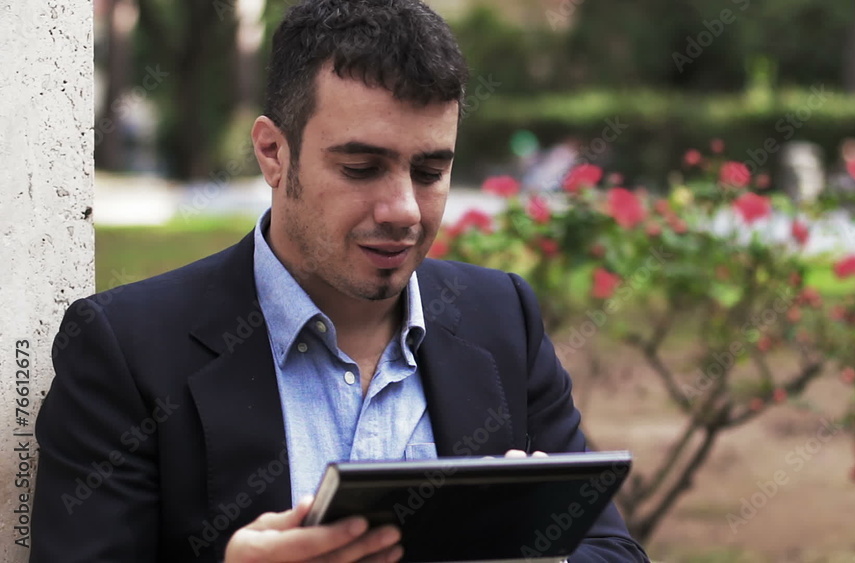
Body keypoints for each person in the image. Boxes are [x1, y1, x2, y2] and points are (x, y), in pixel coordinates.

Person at [30, 1, 649, 561]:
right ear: (273, 152)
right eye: (362, 167)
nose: (403, 208)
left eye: (431, 171)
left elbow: (612, 552)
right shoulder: (127, 349)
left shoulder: (501, 317)